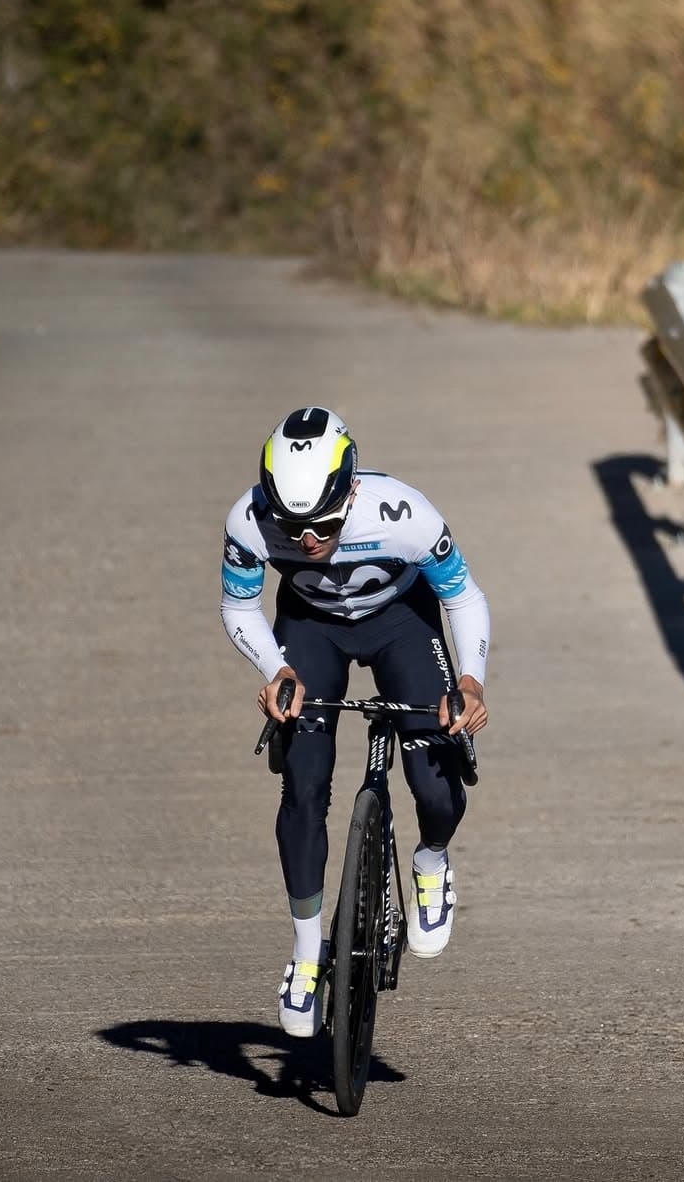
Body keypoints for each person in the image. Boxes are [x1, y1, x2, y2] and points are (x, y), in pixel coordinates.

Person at [220, 406, 490, 1037]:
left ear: (351, 492)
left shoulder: (403, 514)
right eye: (293, 526)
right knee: (304, 784)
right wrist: (273, 670)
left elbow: (462, 596)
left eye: (322, 523)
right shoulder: (249, 520)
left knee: (434, 773)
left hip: (402, 621)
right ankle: (308, 950)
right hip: (312, 628)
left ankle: (431, 858)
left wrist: (470, 682)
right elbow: (239, 607)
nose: (308, 540)